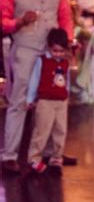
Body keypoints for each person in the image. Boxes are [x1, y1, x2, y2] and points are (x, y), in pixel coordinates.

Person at [0, 0, 74, 174]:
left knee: (54, 101)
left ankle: (53, 154)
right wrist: (20, 22)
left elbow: (65, 17)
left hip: (52, 53)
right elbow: (2, 22)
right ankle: (10, 156)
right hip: (24, 50)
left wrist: (68, 42)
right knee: (19, 102)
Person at [26, 28, 70, 174]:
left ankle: (56, 157)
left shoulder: (65, 63)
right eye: (55, 50)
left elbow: (66, 80)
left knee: (60, 130)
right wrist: (30, 99)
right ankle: (34, 159)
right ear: (49, 47)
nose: (58, 54)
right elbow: (34, 80)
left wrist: (66, 94)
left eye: (61, 51)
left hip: (61, 102)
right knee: (42, 131)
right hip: (45, 102)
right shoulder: (42, 60)